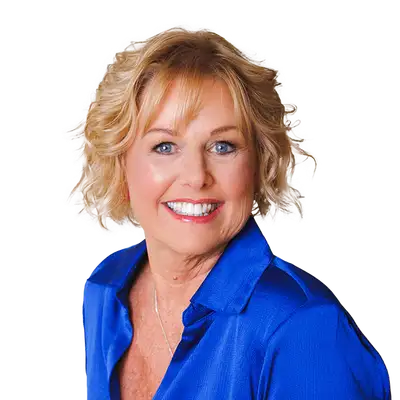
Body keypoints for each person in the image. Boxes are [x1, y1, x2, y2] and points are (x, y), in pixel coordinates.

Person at [65, 23, 391, 399]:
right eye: (165, 146)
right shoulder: (105, 288)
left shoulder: (302, 328)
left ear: (259, 163)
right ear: (121, 162)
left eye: (222, 146)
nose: (196, 177)